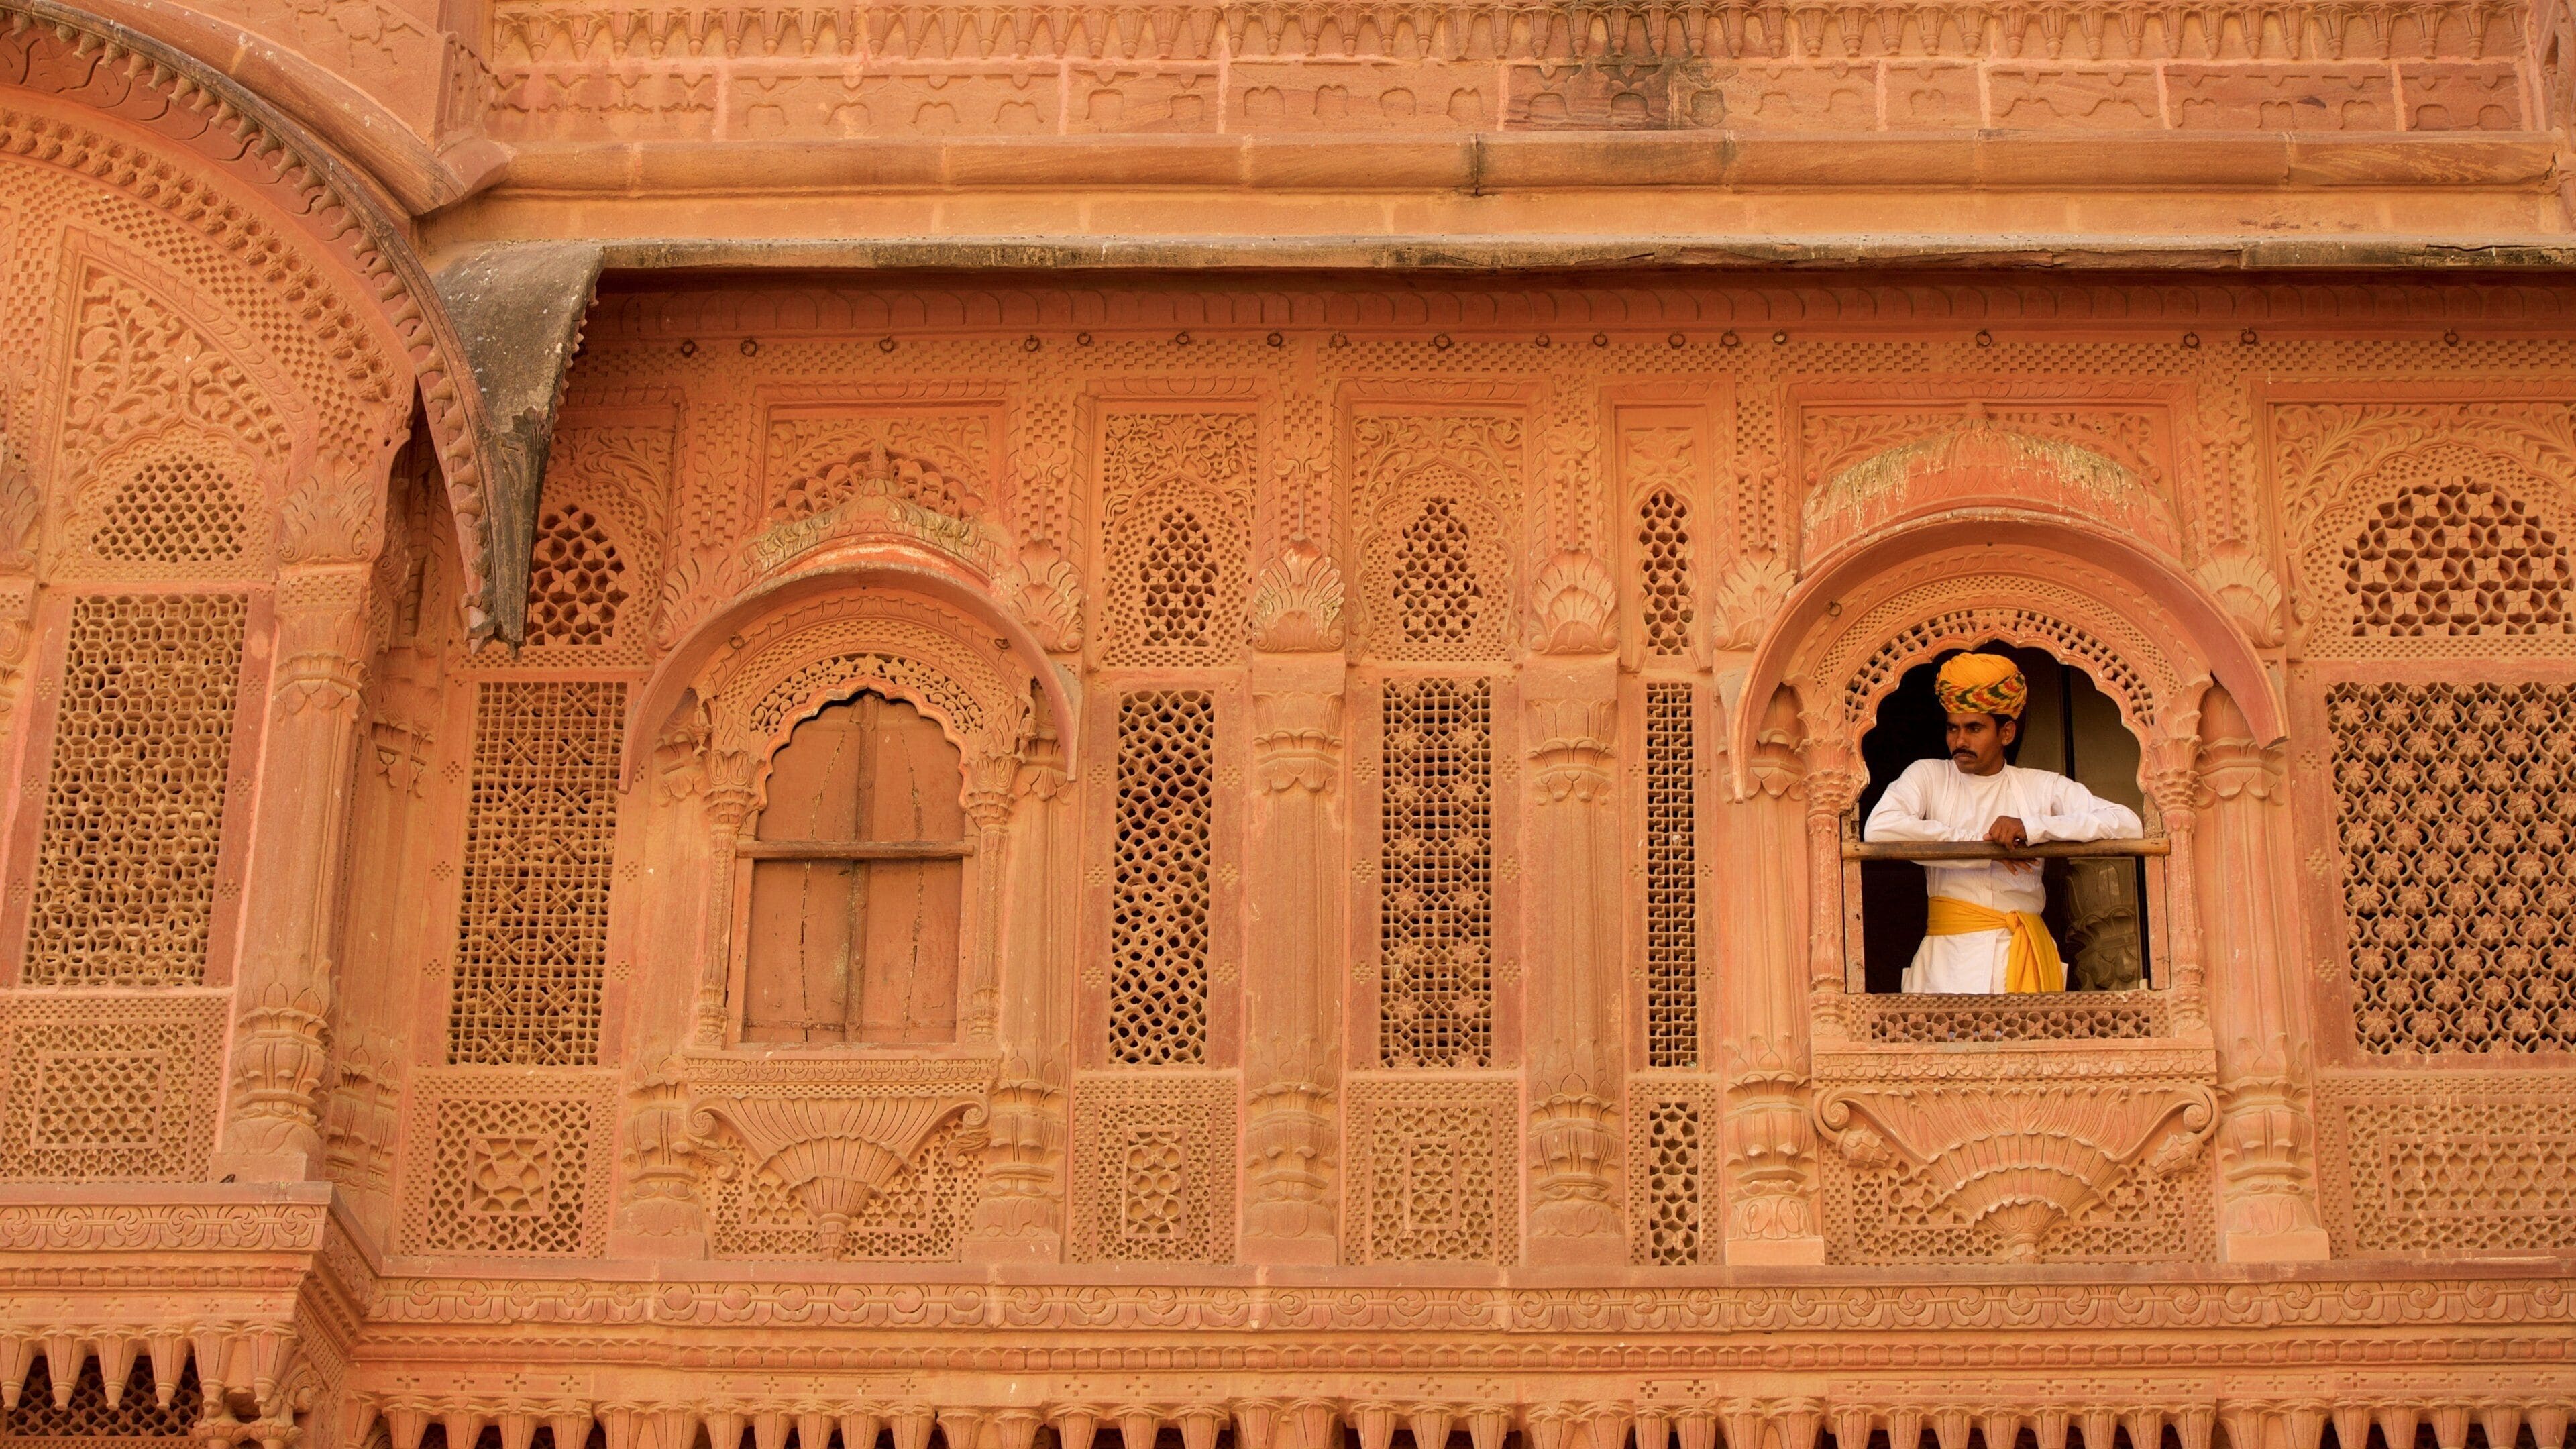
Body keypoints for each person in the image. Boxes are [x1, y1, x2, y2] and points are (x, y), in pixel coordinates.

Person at [1863, 651, 2143, 994]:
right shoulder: (1929, 775)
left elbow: (2127, 823)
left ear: (2006, 733)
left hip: (2023, 957)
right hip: (1947, 963)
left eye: (1974, 728)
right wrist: (1984, 847)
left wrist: (2034, 829)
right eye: (1953, 728)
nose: (1960, 741)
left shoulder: (2040, 786)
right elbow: (1879, 829)